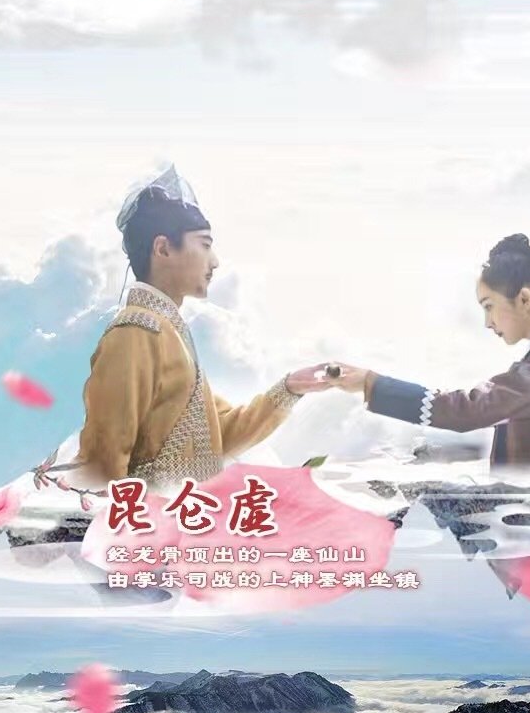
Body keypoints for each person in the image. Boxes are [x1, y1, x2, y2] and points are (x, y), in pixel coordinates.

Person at [75, 164, 338, 503]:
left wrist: (289, 388)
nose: (214, 261)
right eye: (204, 244)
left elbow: (221, 433)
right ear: (163, 249)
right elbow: (101, 468)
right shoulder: (135, 333)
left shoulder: (168, 332)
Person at [347, 238, 530, 479]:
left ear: (524, 299)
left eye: (489, 306)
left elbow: (468, 410)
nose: (488, 323)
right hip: (527, 508)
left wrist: (370, 384)